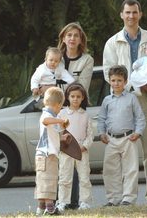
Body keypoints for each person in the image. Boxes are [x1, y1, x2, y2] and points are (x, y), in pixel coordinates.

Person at [103, 0, 147, 204]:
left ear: (140, 14)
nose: (131, 16)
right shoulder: (112, 42)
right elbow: (108, 73)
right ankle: (123, 198)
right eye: (127, 12)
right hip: (123, 101)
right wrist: (131, 87)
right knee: (121, 152)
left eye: (134, 12)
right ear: (121, 15)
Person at [57, 22, 94, 208]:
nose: (72, 39)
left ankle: (80, 201)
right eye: (69, 35)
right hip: (58, 112)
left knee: (81, 168)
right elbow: (45, 79)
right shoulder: (55, 58)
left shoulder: (86, 60)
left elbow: (82, 88)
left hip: (76, 110)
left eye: (76, 35)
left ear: (81, 40)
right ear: (63, 38)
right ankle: (60, 201)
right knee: (63, 165)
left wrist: (66, 94)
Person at [98, 65, 145, 205]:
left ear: (125, 81)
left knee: (130, 169)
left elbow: (140, 117)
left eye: (119, 80)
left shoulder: (131, 98)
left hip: (128, 138)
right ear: (109, 81)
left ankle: (128, 198)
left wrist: (138, 132)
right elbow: (101, 119)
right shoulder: (107, 100)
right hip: (111, 139)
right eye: (113, 80)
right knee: (110, 170)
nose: (116, 83)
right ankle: (114, 199)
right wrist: (101, 133)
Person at [57, 83, 93, 212]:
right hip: (66, 151)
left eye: (78, 96)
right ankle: (62, 201)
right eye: (72, 96)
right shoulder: (62, 114)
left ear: (83, 98)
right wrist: (62, 144)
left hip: (82, 151)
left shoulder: (85, 115)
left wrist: (85, 146)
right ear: (68, 97)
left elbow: (90, 134)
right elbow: (58, 132)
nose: (75, 99)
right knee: (64, 177)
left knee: (84, 177)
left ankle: (85, 201)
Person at [34, 87, 69, 216]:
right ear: (58, 105)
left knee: (43, 181)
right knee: (48, 180)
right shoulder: (47, 115)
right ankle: (50, 208)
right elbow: (45, 121)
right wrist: (61, 120)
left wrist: (62, 137)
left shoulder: (51, 116)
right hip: (47, 154)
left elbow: (51, 134)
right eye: (60, 107)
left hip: (48, 153)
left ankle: (41, 208)